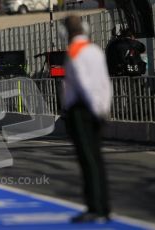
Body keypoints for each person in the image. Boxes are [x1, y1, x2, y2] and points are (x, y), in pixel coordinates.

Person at [62, 15, 113, 223]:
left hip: (81, 111)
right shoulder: (95, 49)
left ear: (65, 32)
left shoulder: (74, 52)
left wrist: (92, 108)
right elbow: (104, 82)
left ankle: (95, 208)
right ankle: (104, 207)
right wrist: (103, 109)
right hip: (98, 109)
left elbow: (84, 84)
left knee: (88, 160)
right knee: (97, 160)